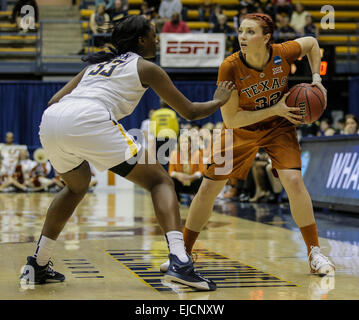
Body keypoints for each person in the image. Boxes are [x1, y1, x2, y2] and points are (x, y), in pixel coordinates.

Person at [19, 15, 235, 291]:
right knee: (159, 181)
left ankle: (38, 262)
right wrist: (219, 100)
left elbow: (53, 100)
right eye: (154, 34)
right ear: (141, 40)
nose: (157, 39)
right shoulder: (146, 67)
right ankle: (180, 261)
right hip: (90, 118)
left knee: (76, 188)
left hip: (51, 120)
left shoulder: (95, 66)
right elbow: (190, 111)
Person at [159, 13, 335, 277]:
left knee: (294, 182)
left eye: (250, 32)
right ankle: (182, 252)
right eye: (241, 31)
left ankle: (314, 253)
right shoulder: (229, 67)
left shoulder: (282, 53)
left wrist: (317, 80)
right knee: (207, 189)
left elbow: (311, 42)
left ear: (266, 38)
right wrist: (275, 107)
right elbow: (232, 118)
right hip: (240, 129)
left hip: (278, 125)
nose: (242, 36)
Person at [168, 132, 204, 202]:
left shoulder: (197, 153)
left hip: (193, 181)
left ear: (190, 144)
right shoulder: (174, 154)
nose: (184, 145)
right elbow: (171, 171)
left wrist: (191, 177)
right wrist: (179, 175)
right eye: (182, 142)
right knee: (171, 179)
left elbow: (201, 171)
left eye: (186, 142)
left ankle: (198, 201)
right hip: (180, 181)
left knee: (201, 179)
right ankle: (176, 200)